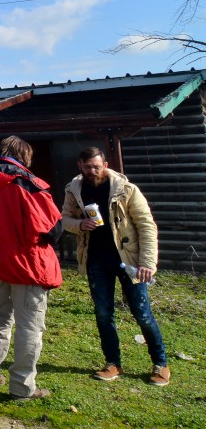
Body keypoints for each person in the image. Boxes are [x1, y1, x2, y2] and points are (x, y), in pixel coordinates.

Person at [0, 136, 63, 401]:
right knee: (30, 325)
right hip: (26, 266)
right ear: (25, 156)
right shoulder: (28, 185)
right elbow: (53, 230)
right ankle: (22, 387)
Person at [61, 147, 170, 386]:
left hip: (129, 261)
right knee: (103, 314)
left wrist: (148, 262)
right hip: (96, 260)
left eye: (97, 166)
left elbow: (147, 226)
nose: (93, 171)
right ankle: (113, 364)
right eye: (88, 167)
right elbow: (65, 219)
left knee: (142, 314)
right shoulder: (74, 189)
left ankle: (160, 364)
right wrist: (80, 225)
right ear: (80, 165)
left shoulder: (126, 189)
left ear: (106, 164)